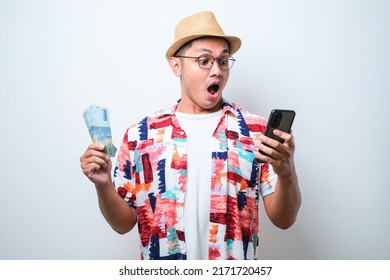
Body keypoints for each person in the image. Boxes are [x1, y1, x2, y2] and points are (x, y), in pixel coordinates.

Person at [80, 11, 301, 260]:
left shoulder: (256, 132)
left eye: (223, 61)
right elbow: (123, 223)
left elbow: (284, 220)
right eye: (204, 60)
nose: (217, 70)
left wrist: (286, 170)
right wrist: (103, 184)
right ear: (177, 65)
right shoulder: (140, 136)